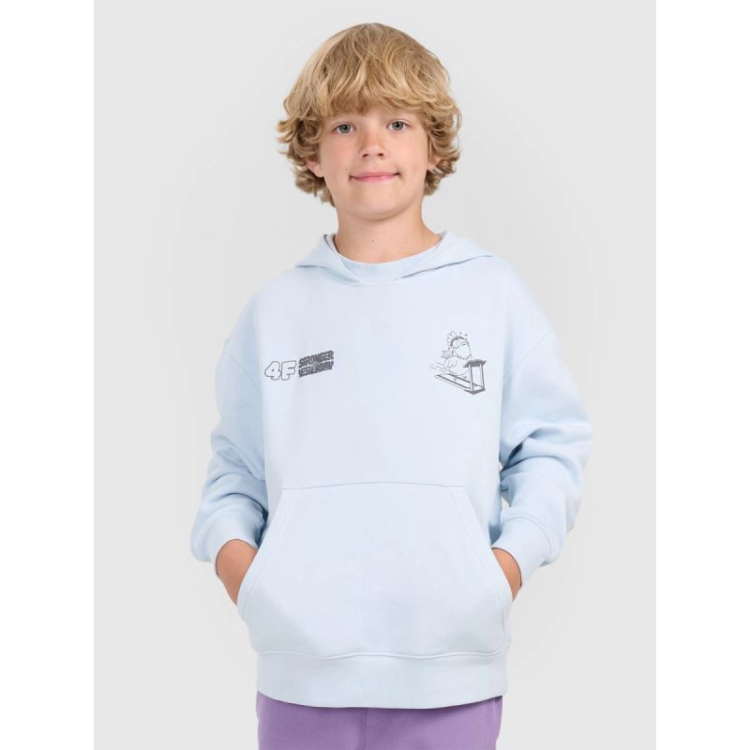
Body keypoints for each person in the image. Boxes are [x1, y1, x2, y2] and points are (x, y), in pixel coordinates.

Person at [189, 22, 594, 750]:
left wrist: (500, 573)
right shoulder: (275, 313)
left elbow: (552, 448)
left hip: (452, 676)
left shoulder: (492, 297)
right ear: (312, 153)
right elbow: (235, 473)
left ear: (434, 146)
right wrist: (253, 585)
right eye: (345, 125)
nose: (372, 144)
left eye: (398, 122)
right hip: (302, 677)